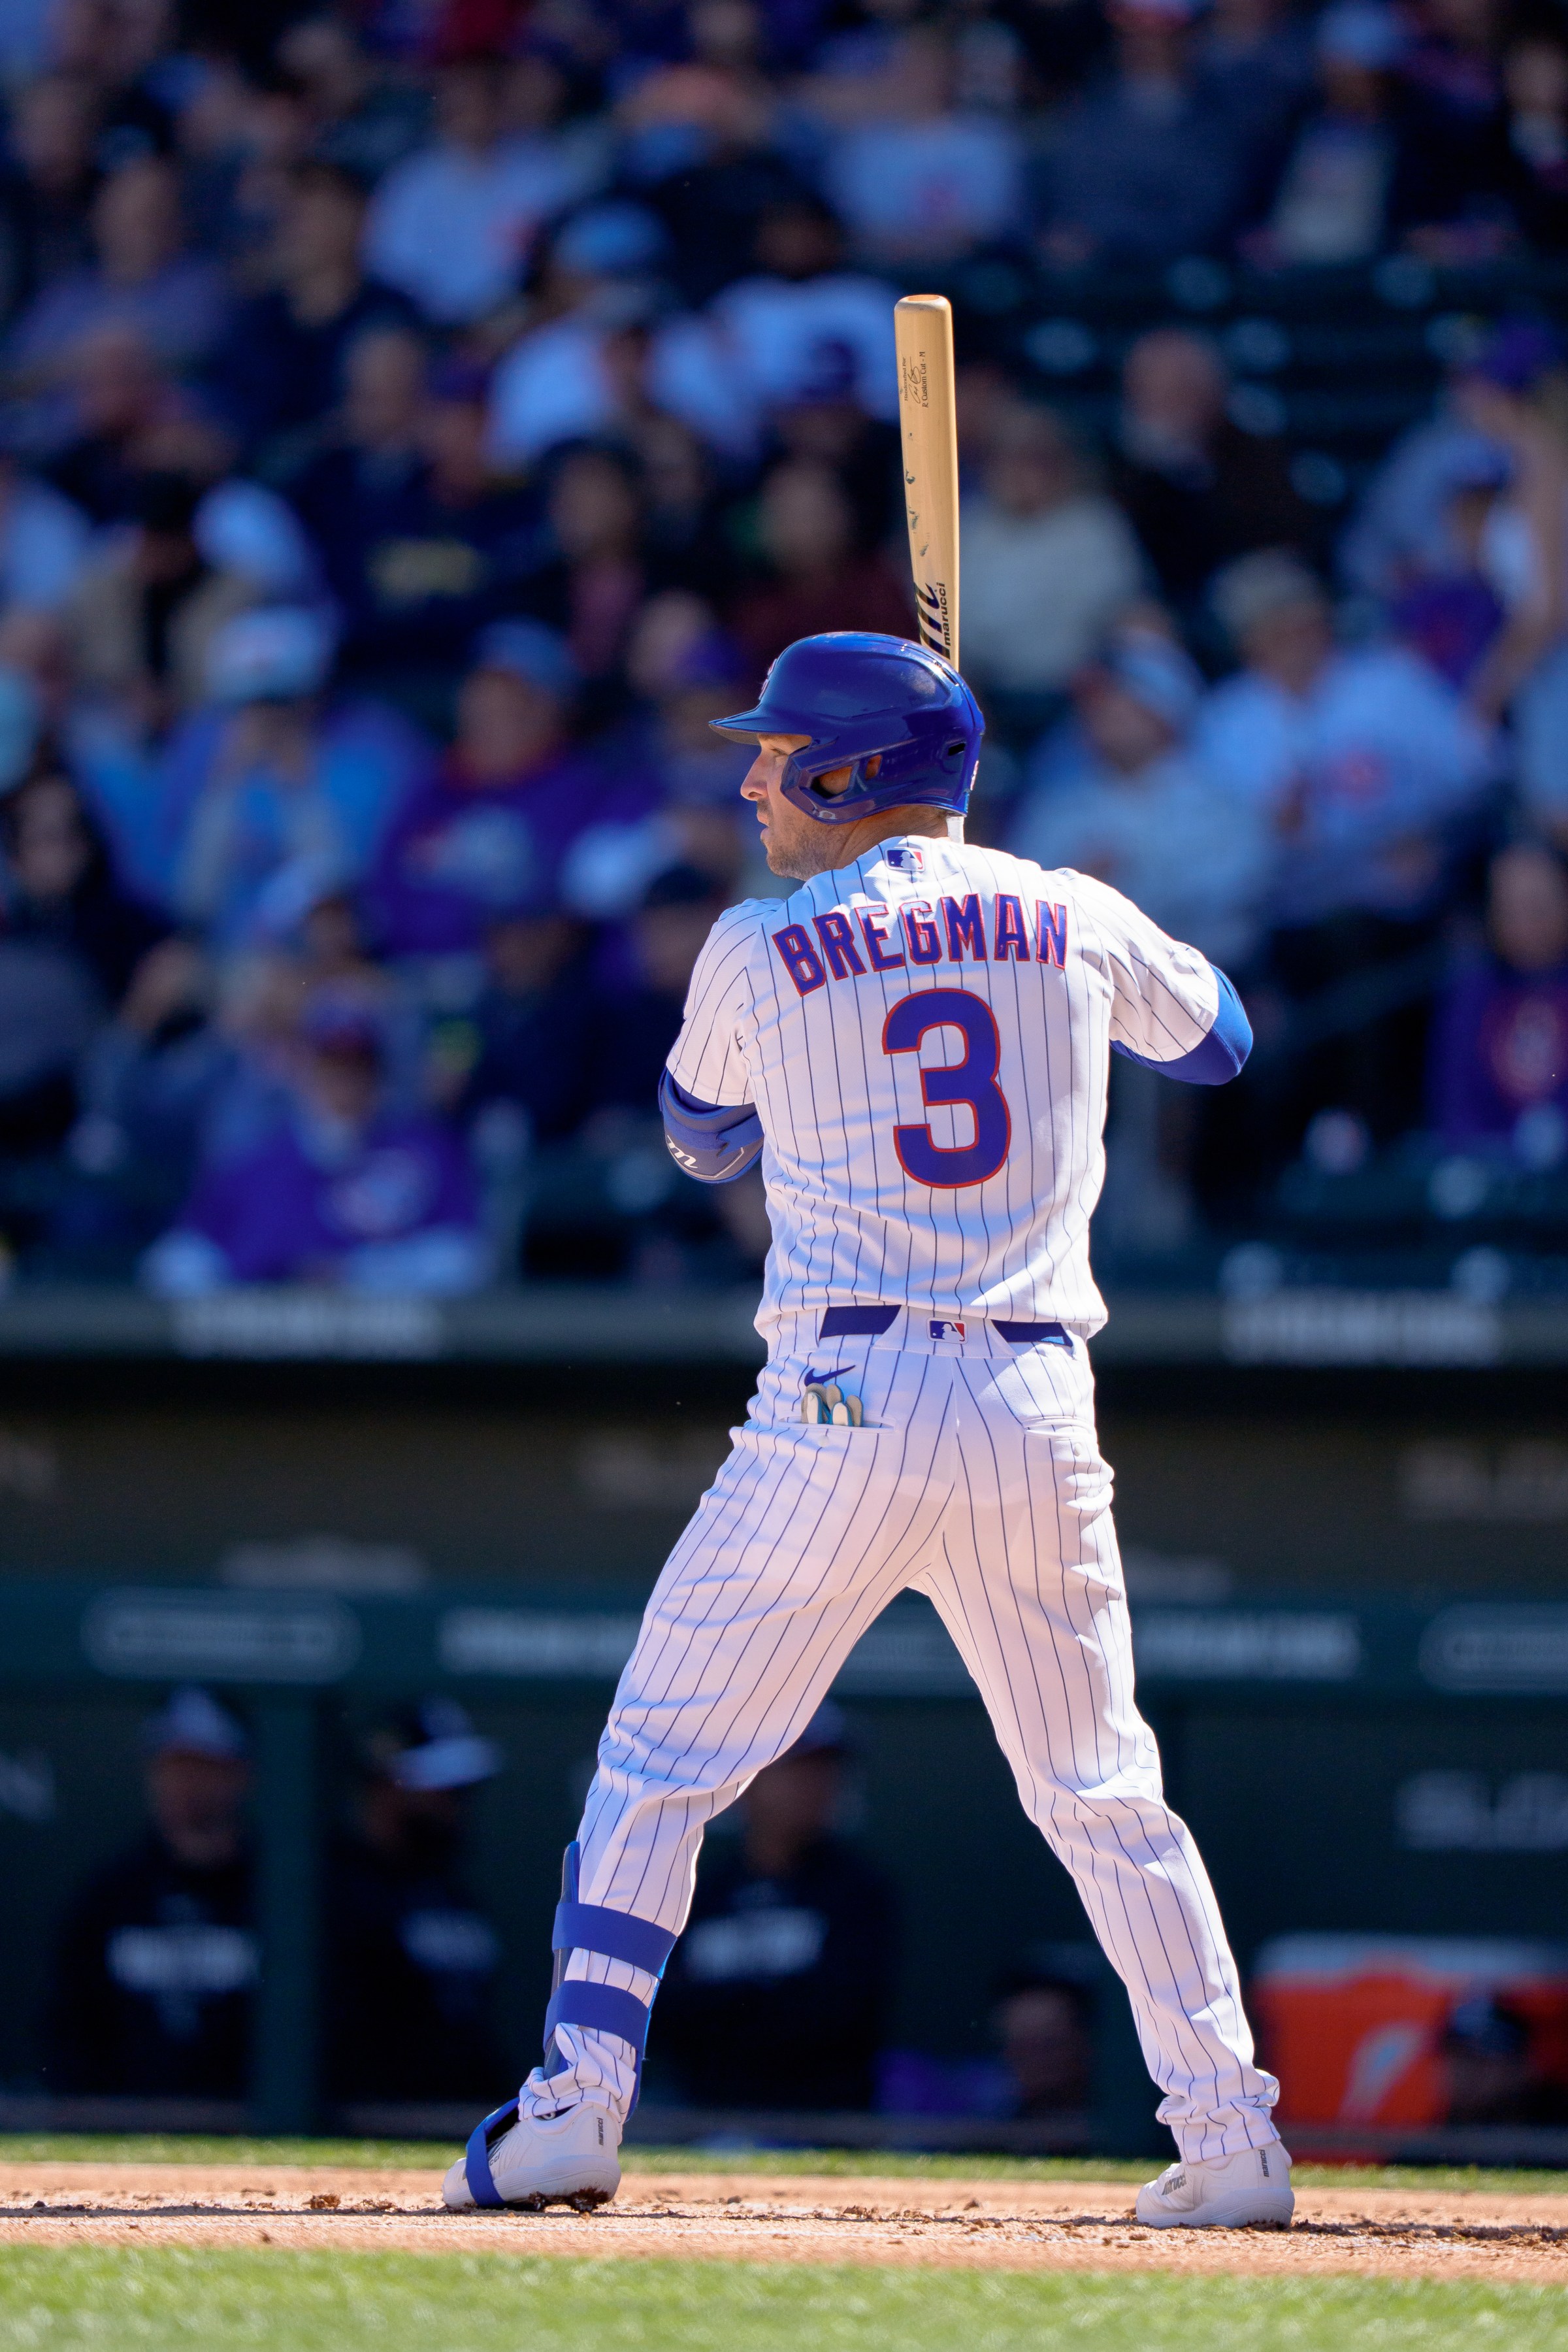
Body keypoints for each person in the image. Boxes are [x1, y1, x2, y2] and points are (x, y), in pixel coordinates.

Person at [442, 627, 1293, 2230]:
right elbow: (1221, 1042)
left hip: (837, 1395)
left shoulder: (755, 944)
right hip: (1034, 1397)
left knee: (656, 1759)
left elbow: (699, 1145)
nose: (755, 776)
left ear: (856, 773)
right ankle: (1228, 2137)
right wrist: (1018, 906)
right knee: (1102, 1788)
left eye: (783, 754)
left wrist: (914, 914)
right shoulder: (1072, 906)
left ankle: (570, 2108)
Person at [144, 993, 486, 1295]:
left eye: (358, 1066)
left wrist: (357, 1276)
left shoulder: (425, 1153)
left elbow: (465, 1261)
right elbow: (175, 1262)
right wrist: (243, 1297)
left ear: (379, 1074)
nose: (344, 1080)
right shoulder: (252, 1163)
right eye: (331, 1064)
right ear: (305, 1068)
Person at [652, 1702, 896, 2112]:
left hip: (823, 2121)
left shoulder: (858, 1890)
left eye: (827, 1770)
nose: (816, 1786)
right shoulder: (701, 1888)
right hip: (703, 2116)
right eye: (797, 1767)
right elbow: (664, 2012)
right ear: (748, 1777)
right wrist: (768, 1999)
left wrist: (725, 2007)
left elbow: (840, 2017)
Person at [44, 1687, 256, 2096]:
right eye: (172, 1767)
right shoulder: (112, 1893)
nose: (185, 1785)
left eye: (202, 1766)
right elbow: (70, 2027)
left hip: (251, 2134)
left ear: (240, 1774)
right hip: (125, 2131)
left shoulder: (284, 1892)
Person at [325, 1698, 506, 2102]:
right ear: (384, 1783)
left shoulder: (454, 1894)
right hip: (369, 2123)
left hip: (460, 2118)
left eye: (459, 1793)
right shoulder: (334, 1891)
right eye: (438, 1789)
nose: (452, 1807)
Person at [958, 404, 1144, 737]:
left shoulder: (1095, 527)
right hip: (984, 696)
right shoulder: (967, 529)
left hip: (1077, 699)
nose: (1023, 472)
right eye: (1009, 458)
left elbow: (1117, 621)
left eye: (1036, 459)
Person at [1429, 839, 1568, 1155]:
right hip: (1495, 1182)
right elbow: (1455, 1109)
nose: (1528, 924)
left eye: (1538, 906)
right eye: (1512, 909)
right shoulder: (1471, 995)